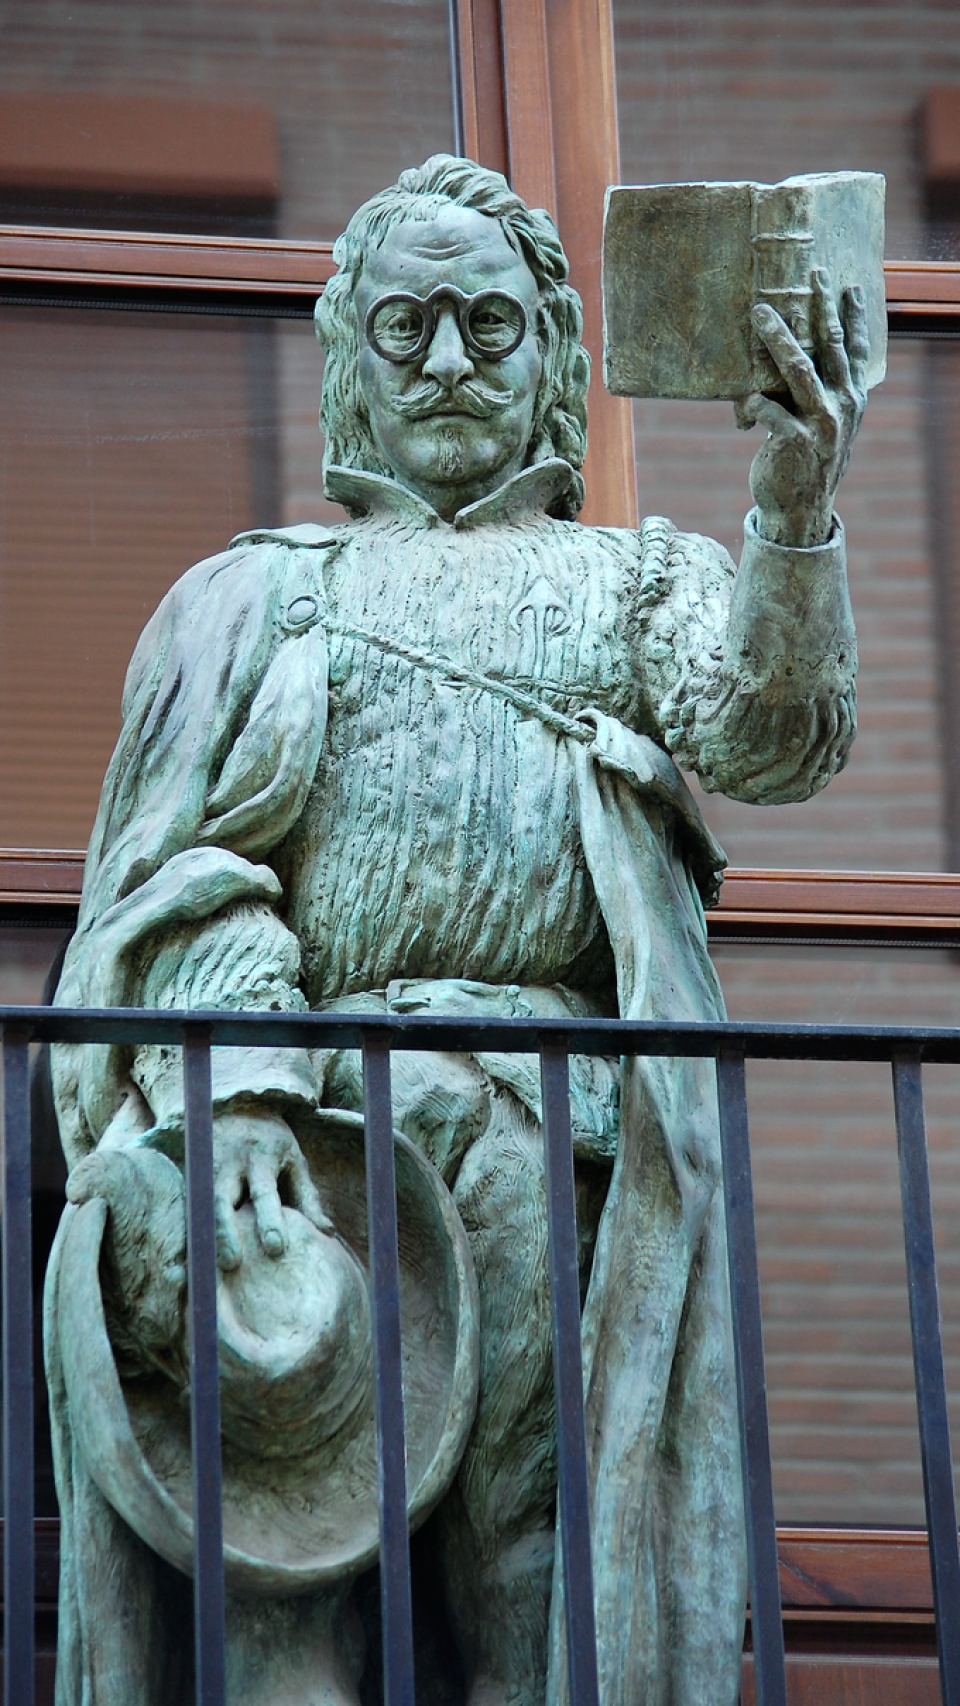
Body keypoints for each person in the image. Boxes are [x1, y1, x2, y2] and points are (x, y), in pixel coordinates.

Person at [48, 154, 868, 1706]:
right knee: (288, 1592)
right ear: (348, 357)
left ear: (555, 366)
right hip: (308, 1154)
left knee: (538, 1582)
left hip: (549, 1147)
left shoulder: (633, 582)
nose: (442, 362)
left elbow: (778, 735)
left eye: (488, 330)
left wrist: (793, 504)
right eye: (406, 324)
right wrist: (238, 1089)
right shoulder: (253, 599)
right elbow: (172, 878)